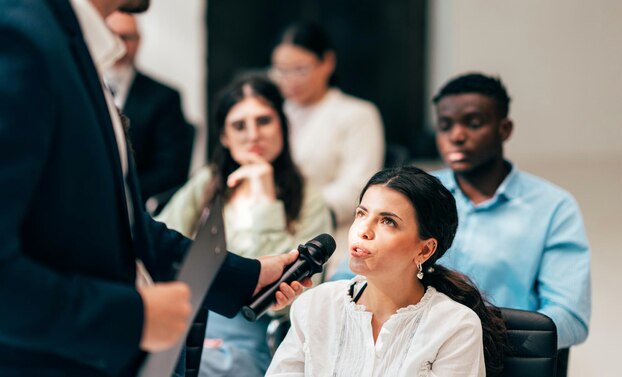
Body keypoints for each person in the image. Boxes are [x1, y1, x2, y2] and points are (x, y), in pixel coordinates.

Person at [0, 0, 308, 375]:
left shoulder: (76, 49)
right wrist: (135, 318)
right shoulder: (19, 38)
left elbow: (126, 227)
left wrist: (245, 275)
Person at [157, 74, 332, 377]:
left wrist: (265, 198)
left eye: (264, 121)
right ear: (224, 137)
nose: (253, 135)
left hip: (253, 332)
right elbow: (160, 244)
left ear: (283, 126)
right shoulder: (208, 184)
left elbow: (290, 300)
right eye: (239, 125)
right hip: (187, 318)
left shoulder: (309, 201)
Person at [266, 166, 507, 377]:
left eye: (388, 221)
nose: (363, 230)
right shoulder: (315, 305)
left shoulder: (455, 326)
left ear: (425, 250)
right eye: (361, 214)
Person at [430, 72, 591, 350]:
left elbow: (569, 318)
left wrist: (476, 337)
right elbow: (352, 280)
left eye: (473, 123)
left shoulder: (553, 207)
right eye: (445, 126)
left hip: (505, 360)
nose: (456, 136)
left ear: (504, 129)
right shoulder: (414, 194)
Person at [269, 22, 385, 275]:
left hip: (331, 236)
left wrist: (296, 207)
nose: (289, 80)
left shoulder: (356, 114)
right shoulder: (272, 115)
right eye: (281, 70)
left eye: (300, 69)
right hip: (271, 230)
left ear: (327, 63)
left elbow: (359, 186)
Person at [105, 11, 194, 208]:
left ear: (139, 41)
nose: (119, 45)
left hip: (140, 203)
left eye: (126, 37)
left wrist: (120, 194)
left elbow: (171, 170)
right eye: (111, 35)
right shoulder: (84, 87)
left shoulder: (164, 97)